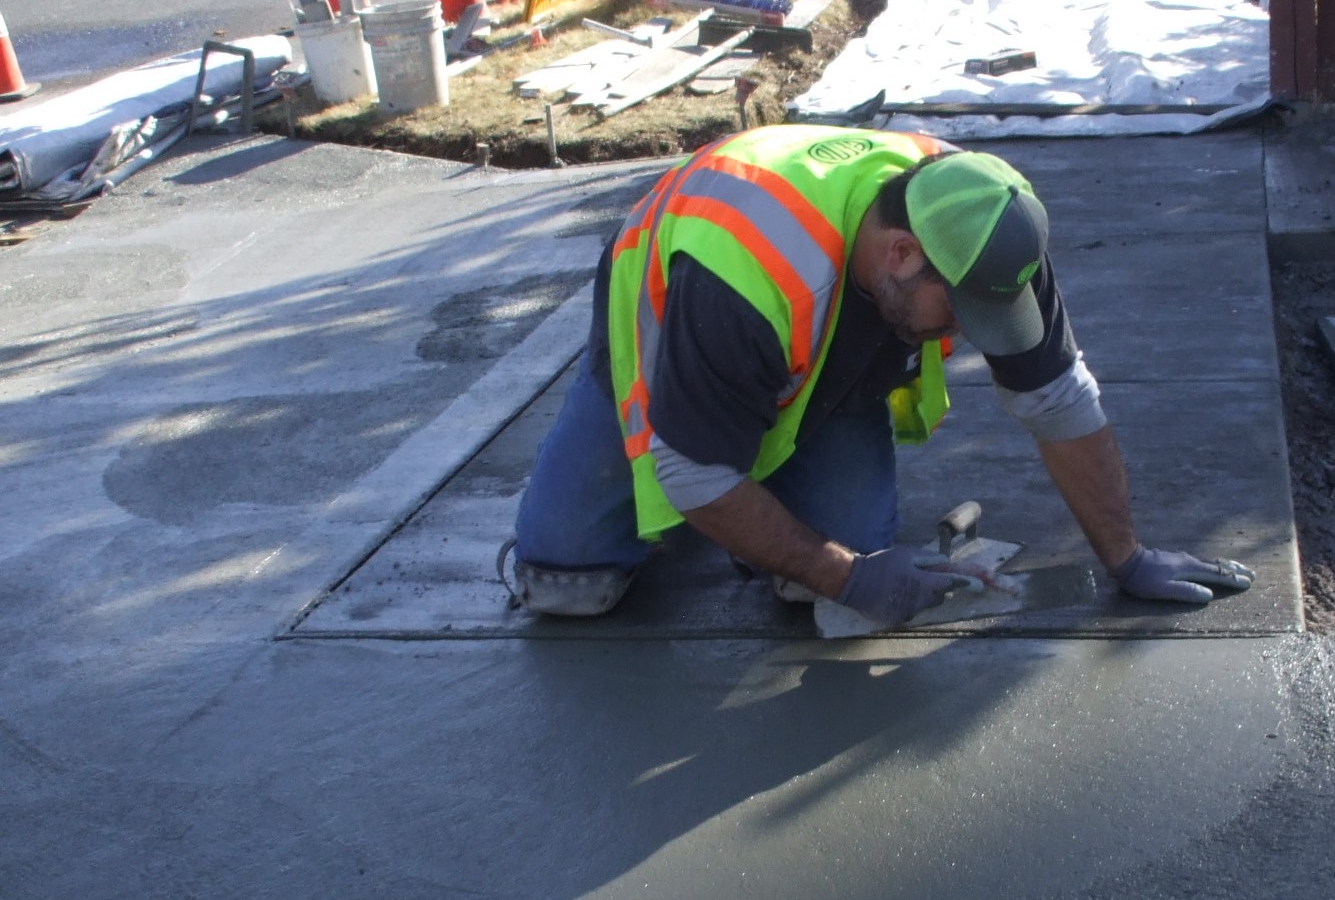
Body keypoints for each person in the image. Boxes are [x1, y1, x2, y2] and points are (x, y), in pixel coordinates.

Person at [503, 125, 1253, 627]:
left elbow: (1056, 397)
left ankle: (753, 489)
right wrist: (848, 577)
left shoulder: (983, 222)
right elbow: (690, 474)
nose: (964, 336)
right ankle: (702, 464)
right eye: (953, 311)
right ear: (899, 255)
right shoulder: (748, 267)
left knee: (821, 576)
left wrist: (1126, 555)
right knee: (571, 583)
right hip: (671, 326)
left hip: (824, 357)